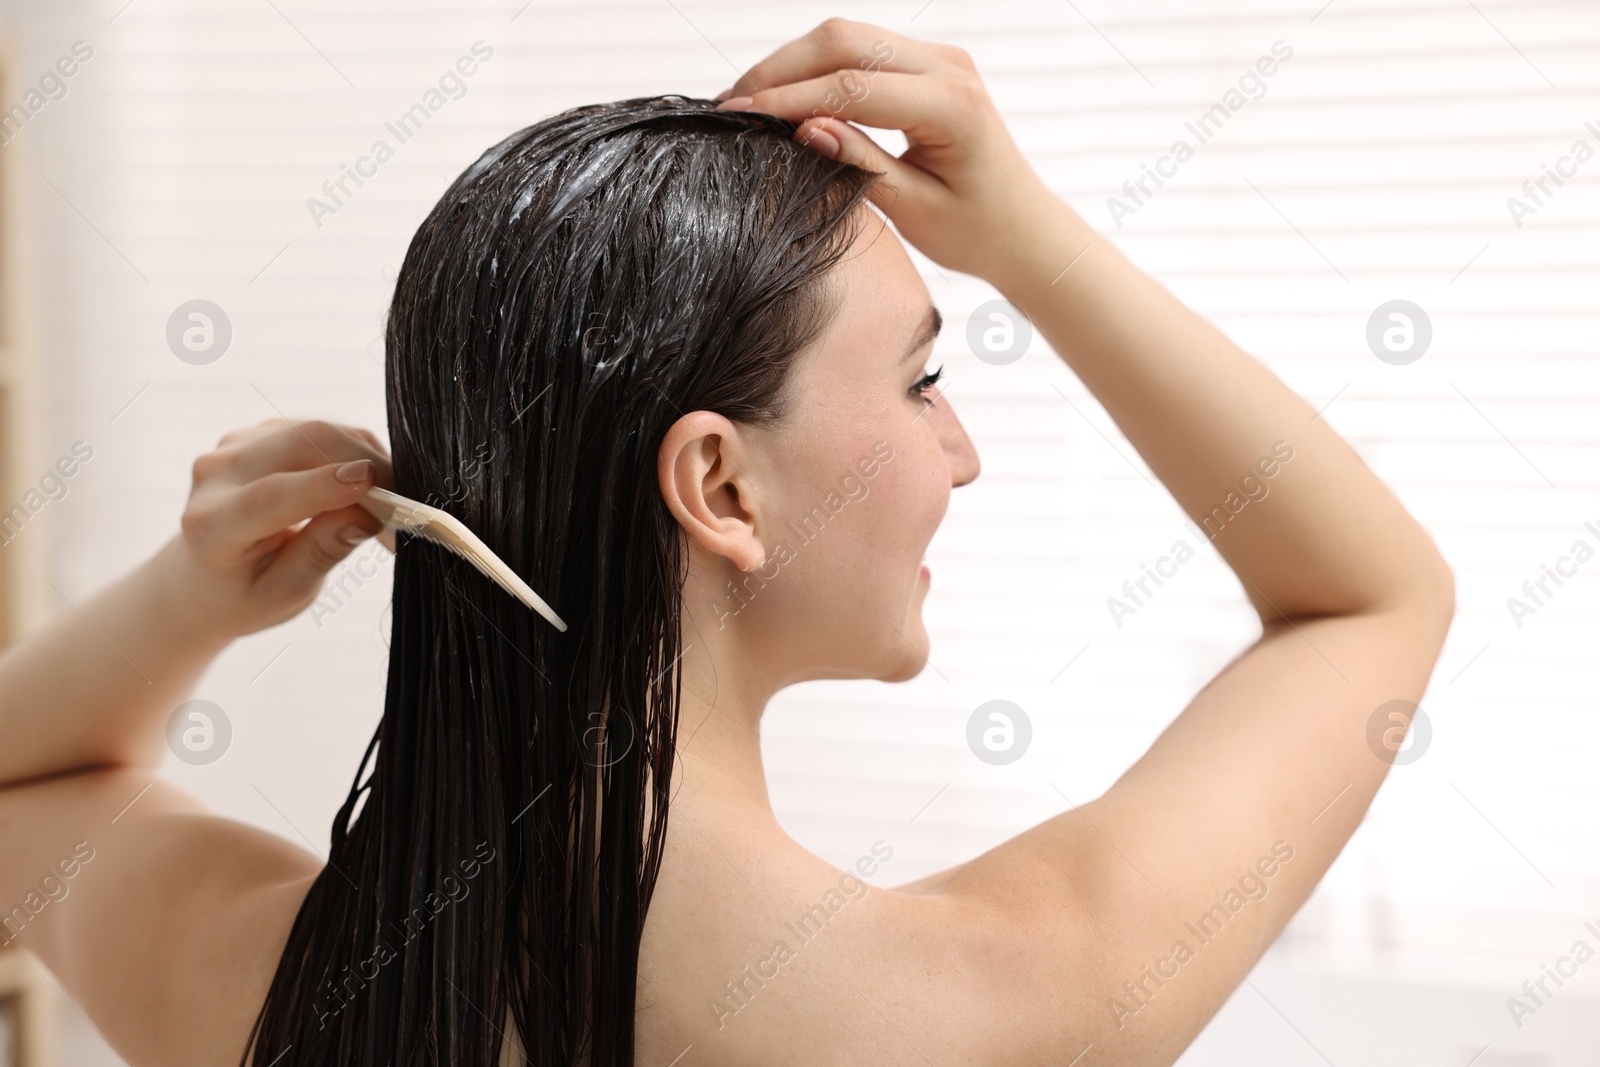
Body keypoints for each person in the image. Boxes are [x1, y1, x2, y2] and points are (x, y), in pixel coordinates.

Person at [0, 18, 1453, 1067]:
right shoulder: (989, 1004)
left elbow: (24, 776)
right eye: (922, 382)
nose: (962, 451)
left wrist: (189, 596)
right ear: (724, 489)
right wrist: (1024, 234)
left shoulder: (259, 984)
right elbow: (1369, 602)